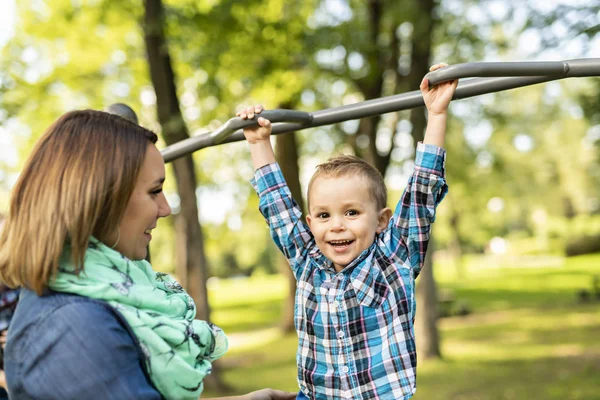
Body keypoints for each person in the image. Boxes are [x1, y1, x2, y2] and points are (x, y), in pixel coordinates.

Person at [0, 110, 295, 400]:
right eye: (155, 191)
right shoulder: (72, 328)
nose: (166, 208)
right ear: (101, 199)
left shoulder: (92, 298)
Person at [239, 63, 458, 400]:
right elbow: (278, 208)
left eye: (352, 212)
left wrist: (437, 114)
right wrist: (258, 142)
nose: (337, 225)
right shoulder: (308, 262)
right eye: (324, 215)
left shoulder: (394, 258)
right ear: (311, 225)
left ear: (382, 220)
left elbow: (422, 192)